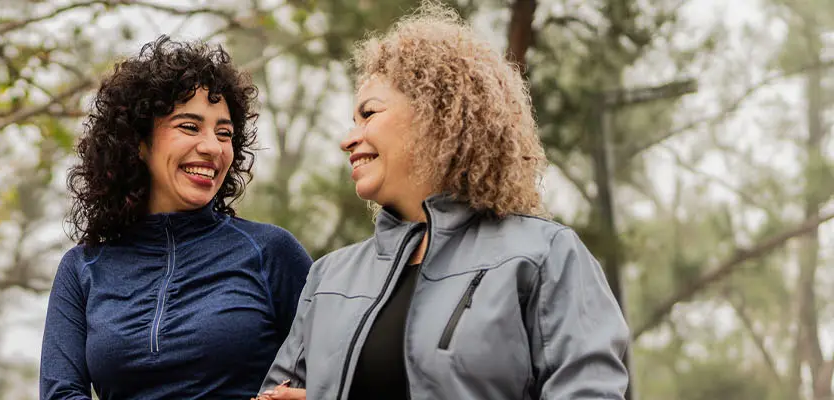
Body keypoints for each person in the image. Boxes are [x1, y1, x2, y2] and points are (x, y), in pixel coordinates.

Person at [257, 5, 630, 400]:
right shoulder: (329, 278)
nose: (348, 138)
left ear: (436, 116)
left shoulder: (545, 257)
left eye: (369, 114)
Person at [40, 35, 315, 399]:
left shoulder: (271, 252)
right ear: (139, 141)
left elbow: (338, 373)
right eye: (189, 126)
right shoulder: (83, 268)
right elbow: (61, 393)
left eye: (224, 133)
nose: (212, 147)